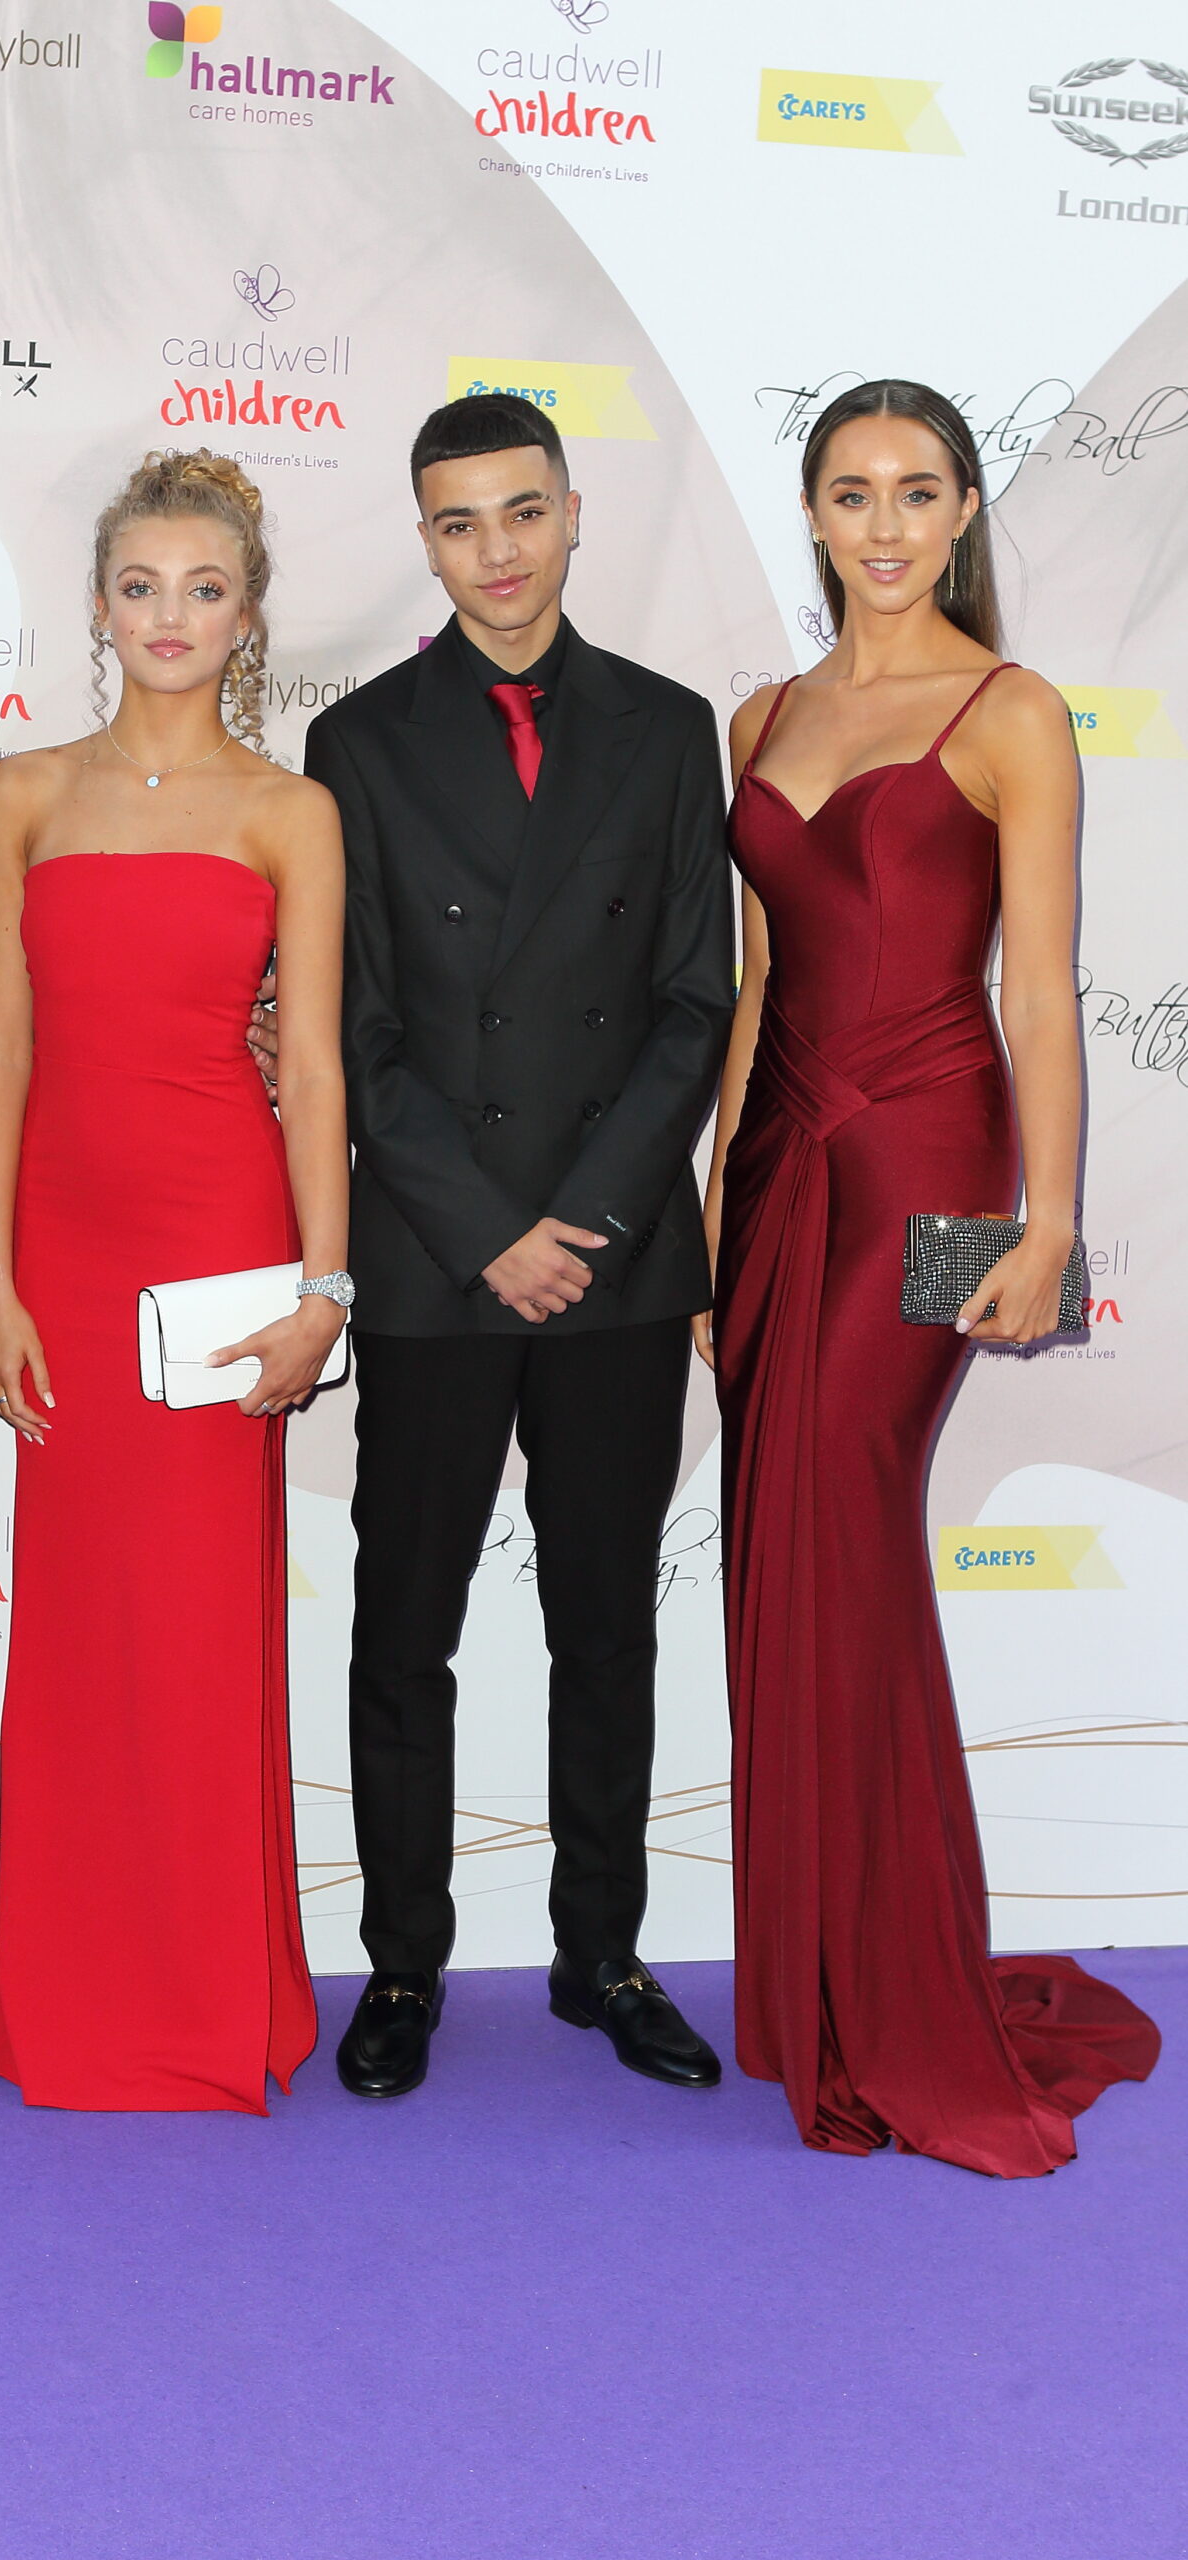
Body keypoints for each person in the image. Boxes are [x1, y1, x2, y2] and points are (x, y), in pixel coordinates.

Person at [701, 378, 1161, 2177]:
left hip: (936, 1171)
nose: (881, 524)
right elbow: (751, 991)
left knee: (841, 1501)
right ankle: (828, 1973)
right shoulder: (763, 710)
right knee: (791, 1549)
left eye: (914, 492)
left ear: (962, 510)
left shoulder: (1010, 710)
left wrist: (1048, 1221)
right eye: (848, 492)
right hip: (773, 1171)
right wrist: (707, 1221)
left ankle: (892, 1996)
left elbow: (1035, 991)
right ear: (810, 514)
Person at [301, 394, 732, 2100]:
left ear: (571, 515)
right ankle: (401, 1969)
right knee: (402, 1631)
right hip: (434, 1259)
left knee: (602, 1624)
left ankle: (600, 1953)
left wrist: (592, 1219)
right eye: (459, 522)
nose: (496, 550)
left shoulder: (664, 726)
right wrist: (491, 1235)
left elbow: (696, 1001)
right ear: (423, 539)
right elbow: (358, 1033)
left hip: (617, 1260)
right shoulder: (358, 741)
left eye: (522, 512)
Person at [0, 450, 347, 2114]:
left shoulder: (290, 811)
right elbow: (0, 1054)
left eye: (204, 588)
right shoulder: (20, 794)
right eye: (141, 587)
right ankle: (70, 1989)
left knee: (197, 1628)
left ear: (246, 613)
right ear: (102, 606)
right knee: (76, 1628)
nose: (171, 617)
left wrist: (324, 1289)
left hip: (216, 1251)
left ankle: (204, 1994)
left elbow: (315, 1067)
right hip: (66, 1244)